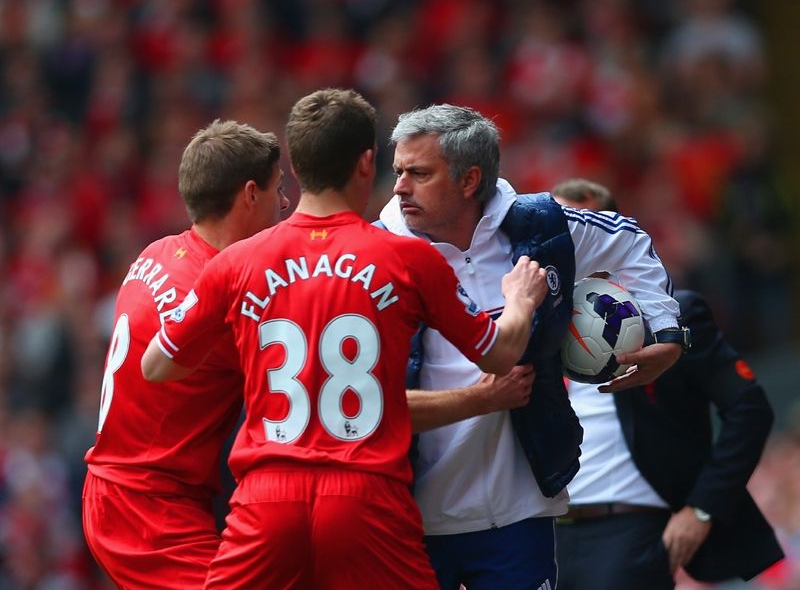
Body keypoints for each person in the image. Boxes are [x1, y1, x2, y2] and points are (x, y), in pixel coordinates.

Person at [140, 88, 550, 589]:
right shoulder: (408, 258)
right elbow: (501, 354)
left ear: (294, 166)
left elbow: (157, 365)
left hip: (266, 499)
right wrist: (520, 299)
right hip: (367, 497)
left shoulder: (235, 263)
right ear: (367, 162)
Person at [378, 104, 684, 590]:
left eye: (419, 173)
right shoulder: (377, 255)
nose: (399, 187)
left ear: (469, 180)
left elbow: (630, 242)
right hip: (410, 518)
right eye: (399, 171)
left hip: (521, 513)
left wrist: (667, 334)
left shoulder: (541, 228)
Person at [82, 120, 290, 588]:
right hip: (147, 512)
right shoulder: (224, 297)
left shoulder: (157, 252)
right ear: (250, 194)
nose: (285, 204)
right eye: (279, 189)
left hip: (120, 491)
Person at [552, 178, 784, 589]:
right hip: (543, 531)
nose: (565, 236)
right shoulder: (535, 322)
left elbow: (749, 409)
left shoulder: (672, 316)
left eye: (577, 222)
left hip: (629, 532)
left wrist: (702, 509)